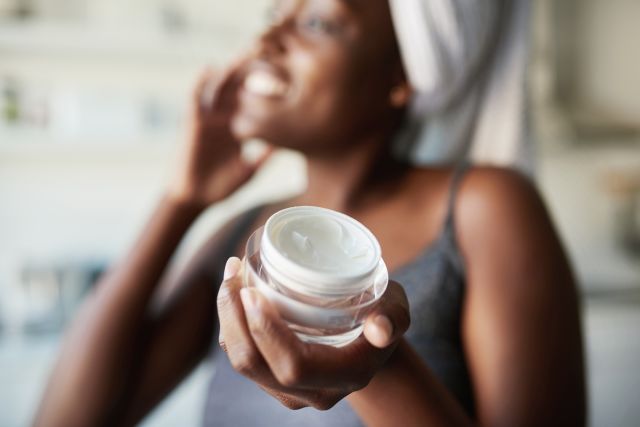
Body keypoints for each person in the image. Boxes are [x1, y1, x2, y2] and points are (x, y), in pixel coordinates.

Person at [35, 0, 585, 426]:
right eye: (278, 12)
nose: (270, 38)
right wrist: (181, 201)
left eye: (318, 23)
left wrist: (379, 364)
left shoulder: (485, 207)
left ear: (403, 77)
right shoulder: (245, 230)